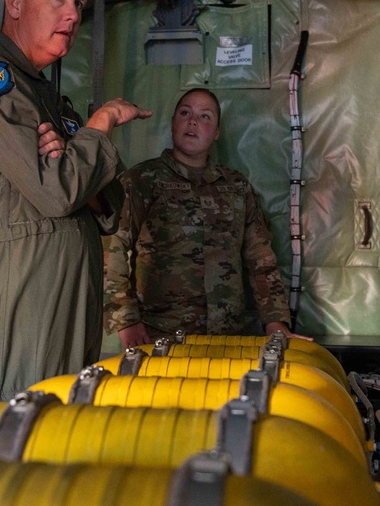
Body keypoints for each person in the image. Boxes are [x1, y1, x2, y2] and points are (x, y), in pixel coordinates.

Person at [0, 0, 152, 406]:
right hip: (22, 292)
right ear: (15, 4)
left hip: (68, 293)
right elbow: (59, 193)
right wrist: (102, 123)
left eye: (77, 3)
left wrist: (73, 161)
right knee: (17, 434)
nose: (72, 14)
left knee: (61, 433)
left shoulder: (50, 101)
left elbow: (109, 208)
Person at [103, 88, 305, 348]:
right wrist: (126, 320)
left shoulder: (237, 187)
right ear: (173, 123)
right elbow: (112, 248)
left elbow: (260, 259)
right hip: (160, 336)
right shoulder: (142, 180)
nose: (193, 121)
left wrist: (275, 321)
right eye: (185, 113)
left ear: (217, 132)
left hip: (227, 338)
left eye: (205, 116)